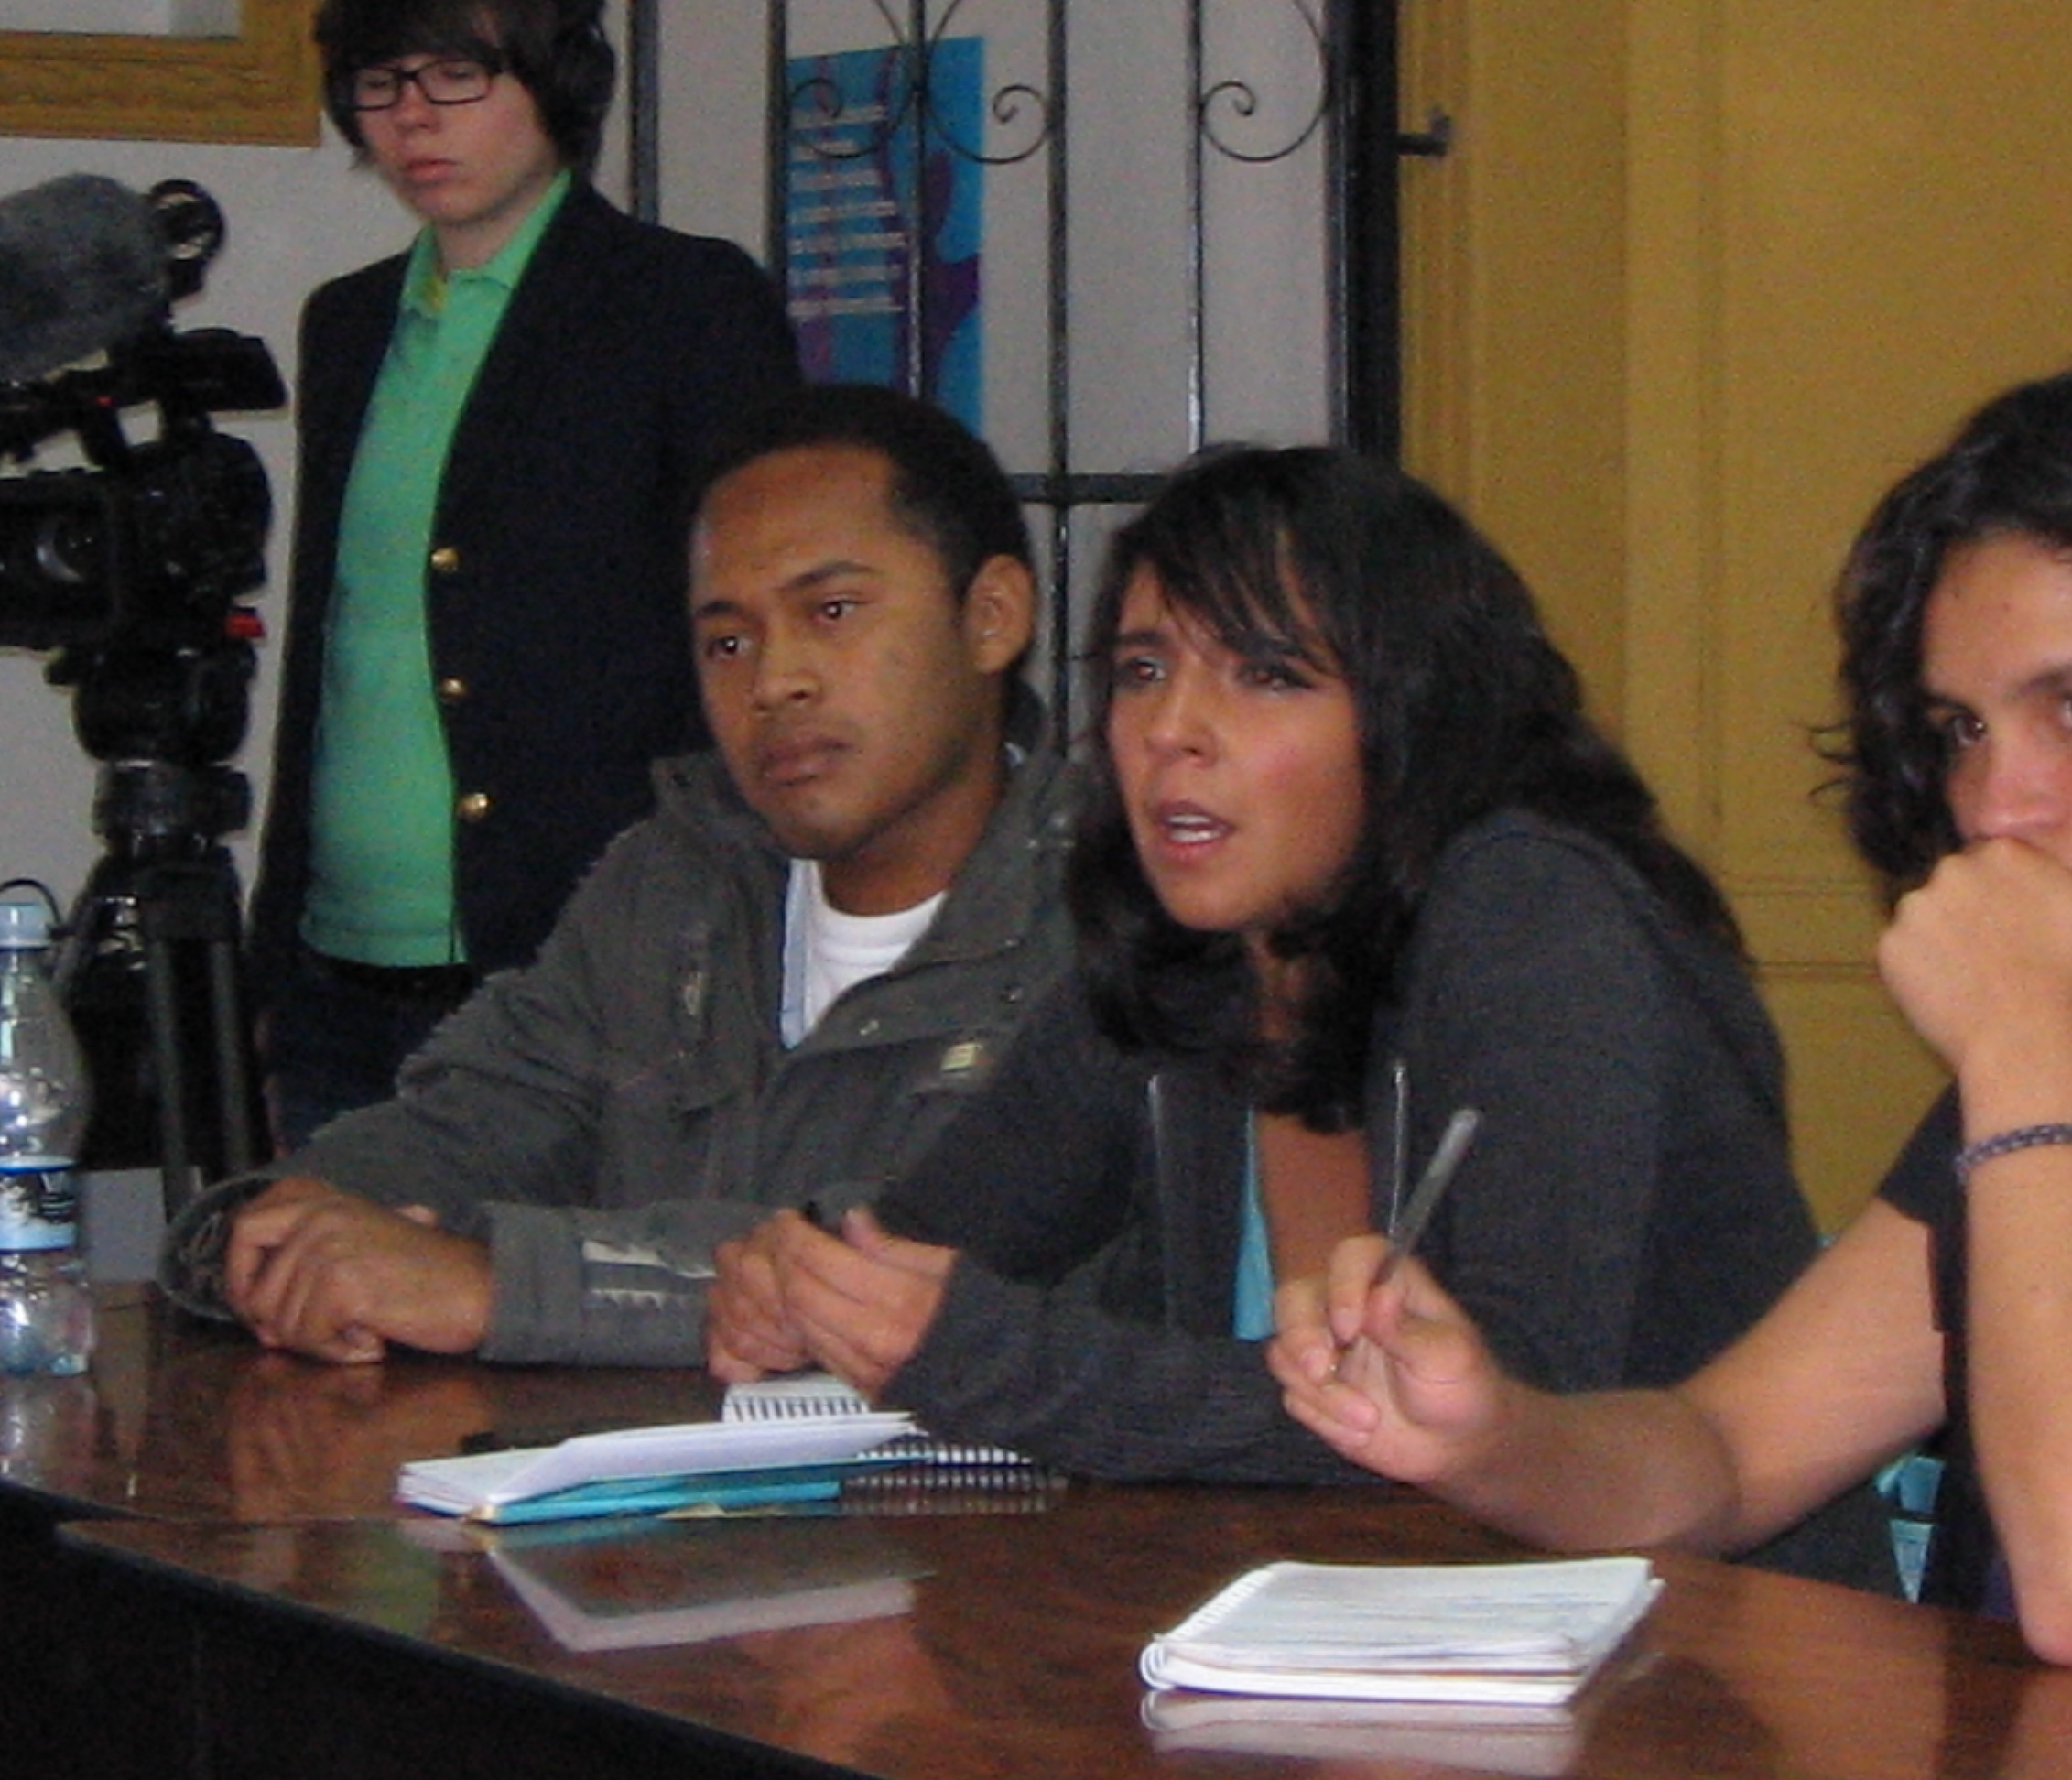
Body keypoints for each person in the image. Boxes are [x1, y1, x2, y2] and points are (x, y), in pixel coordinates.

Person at [1272, 346, 2072, 1686]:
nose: (1998, 806)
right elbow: (1730, 1455)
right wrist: (1492, 1436)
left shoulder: (2057, 1059)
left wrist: (2024, 1051)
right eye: (1961, 729)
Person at [705, 446, 1876, 1583]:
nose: (1173, 729)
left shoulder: (1536, 917)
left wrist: (995, 1357)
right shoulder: (1188, 956)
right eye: (1143, 671)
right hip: (1342, 1628)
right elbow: (924, 1243)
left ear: (1412, 713)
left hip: (1708, 1646)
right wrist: (805, 1290)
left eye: (1266, 675)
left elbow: (1503, 1405)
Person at [161, 383, 1073, 1368]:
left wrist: (497, 1286)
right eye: (728, 641)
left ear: (991, 617)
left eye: (833, 610)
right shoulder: (680, 879)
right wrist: (277, 1229)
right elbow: (480, 1121)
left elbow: (911, 1269)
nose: (775, 681)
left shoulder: (1111, 914)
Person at [248, 0, 802, 1146]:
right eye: (381, 81)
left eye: (456, 74)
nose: (412, 117)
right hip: (336, 964)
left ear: (555, 84)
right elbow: (327, 644)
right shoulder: (349, 322)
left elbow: (760, 628)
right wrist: (272, 953)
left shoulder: (681, 302)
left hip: (582, 964)